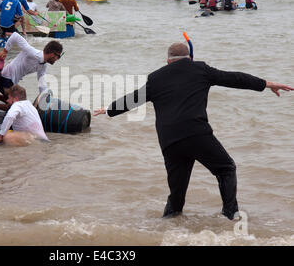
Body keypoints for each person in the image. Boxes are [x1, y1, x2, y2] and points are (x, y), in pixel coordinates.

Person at [94, 42, 293, 220]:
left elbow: (135, 97)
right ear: (189, 58)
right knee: (226, 169)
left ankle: (168, 225)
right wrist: (266, 84)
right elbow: (234, 78)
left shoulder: (155, 78)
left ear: (168, 61)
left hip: (169, 140)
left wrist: (109, 109)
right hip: (195, 133)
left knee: (177, 191)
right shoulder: (200, 69)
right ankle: (230, 216)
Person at [0, 32, 63, 98]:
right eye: (58, 56)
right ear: (53, 54)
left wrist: (44, 96)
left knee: (21, 98)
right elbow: (15, 36)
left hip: (12, 82)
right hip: (4, 79)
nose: (57, 59)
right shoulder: (32, 52)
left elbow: (42, 82)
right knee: (20, 101)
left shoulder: (43, 65)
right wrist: (5, 51)